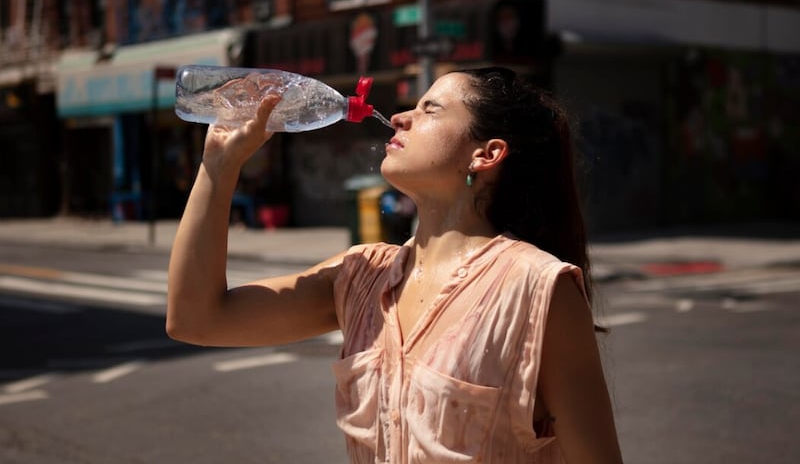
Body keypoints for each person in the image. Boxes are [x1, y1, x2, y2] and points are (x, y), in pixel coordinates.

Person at [167, 67, 623, 464]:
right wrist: (218, 166)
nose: (402, 116)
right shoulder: (360, 276)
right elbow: (196, 320)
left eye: (430, 109)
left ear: (485, 154)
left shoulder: (537, 287)